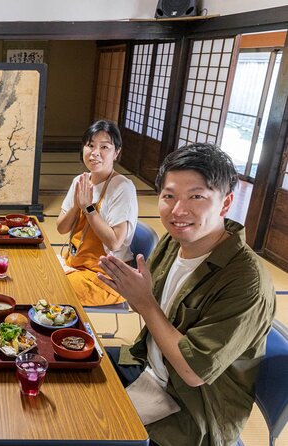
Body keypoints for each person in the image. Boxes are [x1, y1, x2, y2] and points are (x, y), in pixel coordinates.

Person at [98, 143, 276, 446]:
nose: (178, 211)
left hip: (193, 408)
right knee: (72, 365)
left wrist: (144, 303)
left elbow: (194, 373)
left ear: (225, 203)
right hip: (149, 366)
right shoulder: (174, 241)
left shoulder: (246, 280)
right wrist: (134, 293)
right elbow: (150, 307)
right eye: (169, 196)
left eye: (197, 196)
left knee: (83, 429)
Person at [56, 120, 138, 306]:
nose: (95, 153)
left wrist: (88, 208)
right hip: (74, 262)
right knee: (35, 271)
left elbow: (115, 242)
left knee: (49, 287)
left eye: (104, 147)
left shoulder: (122, 187)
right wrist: (77, 205)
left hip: (108, 276)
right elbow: (61, 228)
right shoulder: (80, 180)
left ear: (116, 152)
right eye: (90, 145)